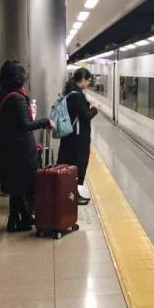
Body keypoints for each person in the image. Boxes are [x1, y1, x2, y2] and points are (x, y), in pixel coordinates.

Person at [0, 60, 55, 232]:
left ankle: (21, 219)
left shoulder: (2, 94)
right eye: (22, 73)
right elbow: (25, 125)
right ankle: (16, 221)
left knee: (17, 187)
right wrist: (45, 121)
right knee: (23, 185)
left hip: (8, 148)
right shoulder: (16, 98)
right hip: (20, 151)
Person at [57, 68, 98, 205]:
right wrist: (95, 108)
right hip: (77, 139)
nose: (89, 83)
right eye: (88, 80)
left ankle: (73, 193)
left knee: (71, 165)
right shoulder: (77, 95)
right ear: (83, 79)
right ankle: (72, 195)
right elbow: (86, 116)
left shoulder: (71, 91)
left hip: (72, 137)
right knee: (76, 165)